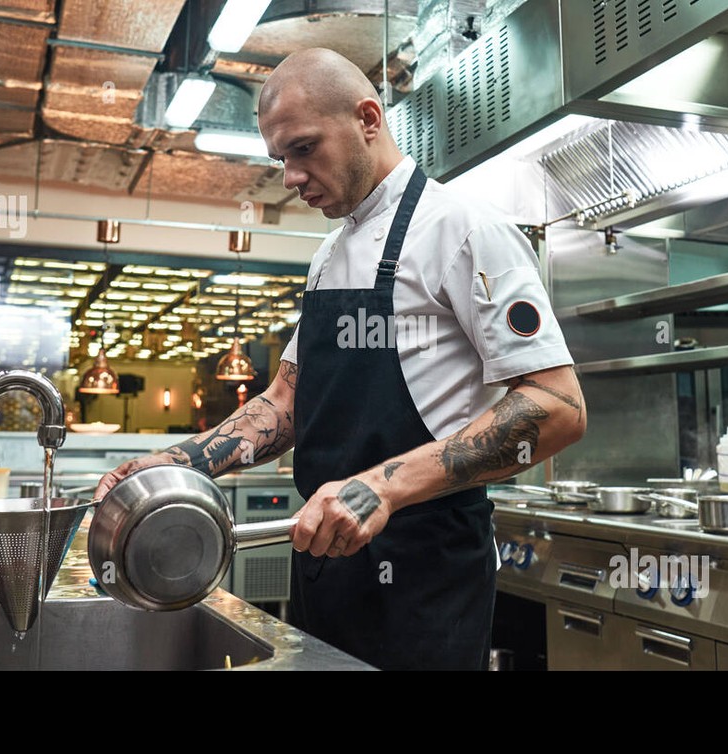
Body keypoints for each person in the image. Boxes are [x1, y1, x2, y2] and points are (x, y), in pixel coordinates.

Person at [94, 48, 586, 671]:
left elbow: (558, 405)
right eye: (281, 159)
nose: (291, 176)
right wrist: (172, 466)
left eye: (303, 148)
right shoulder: (329, 253)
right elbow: (286, 402)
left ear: (368, 118)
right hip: (323, 559)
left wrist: (380, 488)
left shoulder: (464, 230)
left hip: (424, 572)